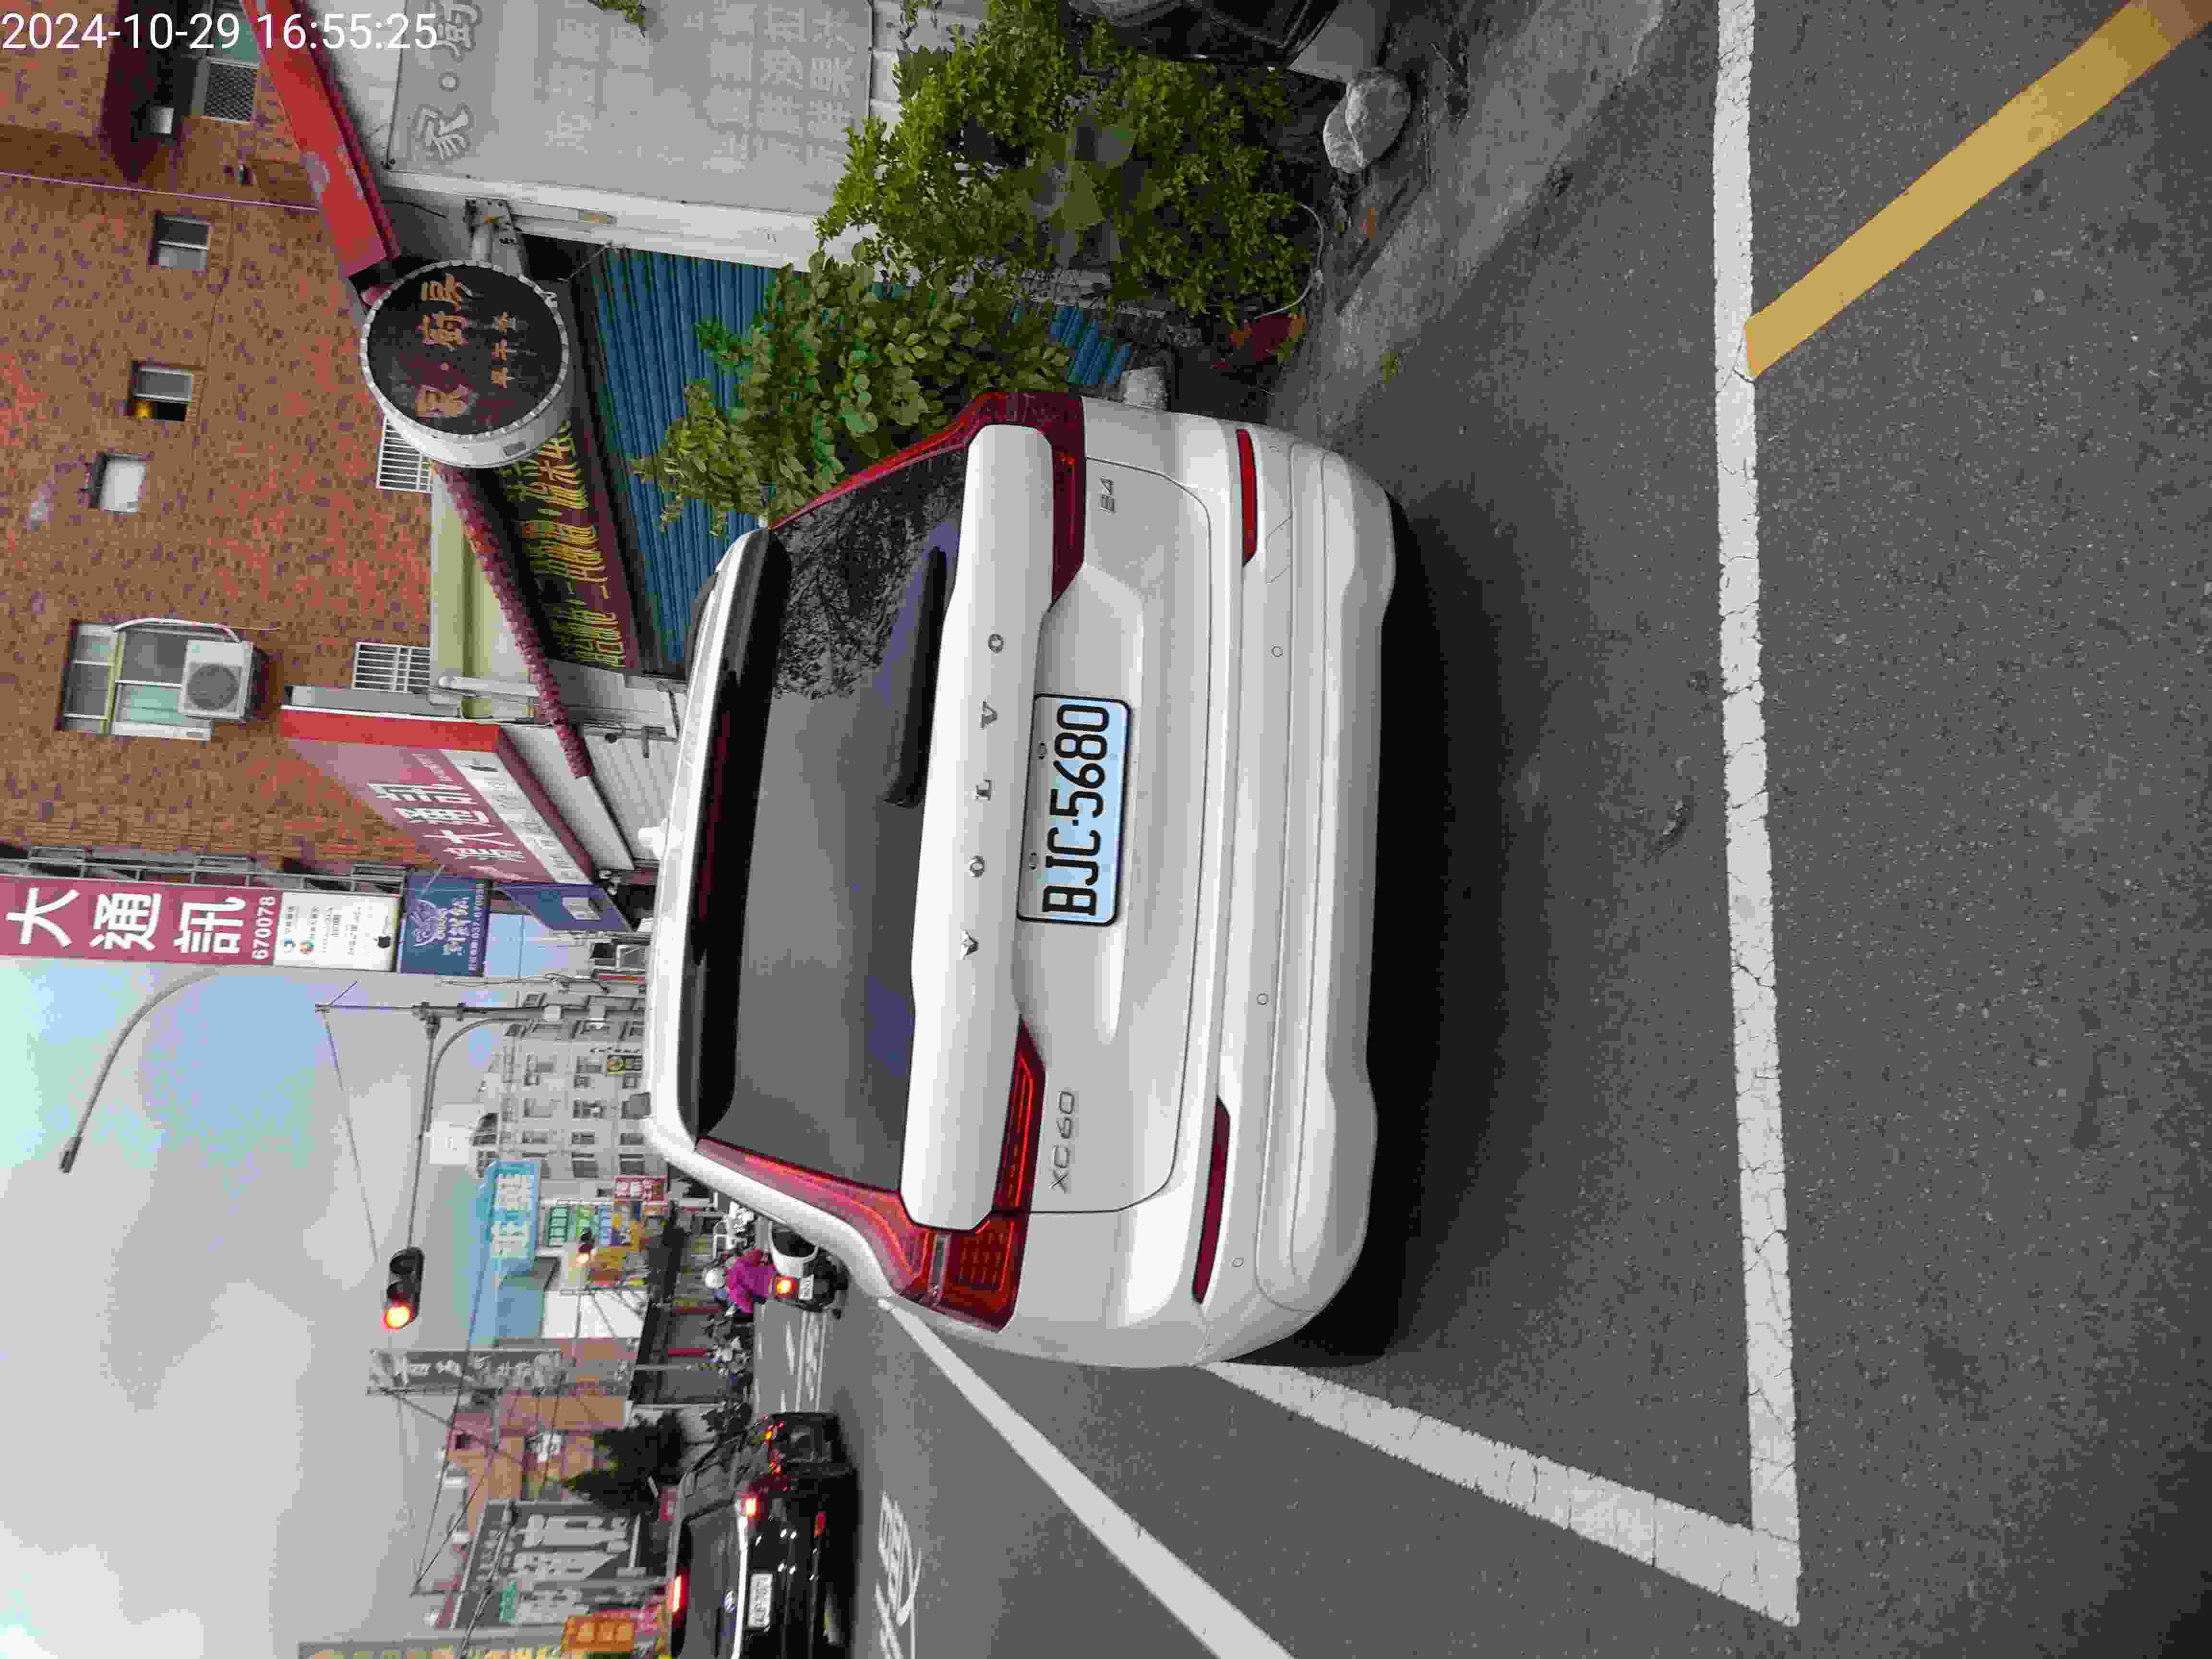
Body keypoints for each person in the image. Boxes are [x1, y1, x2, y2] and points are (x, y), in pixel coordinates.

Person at [722, 1246, 780, 1316]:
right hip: (774, 1272)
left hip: (771, 1291)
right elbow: (758, 1254)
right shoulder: (738, 1264)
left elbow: (749, 1309)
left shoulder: (734, 1294)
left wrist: (738, 1305)